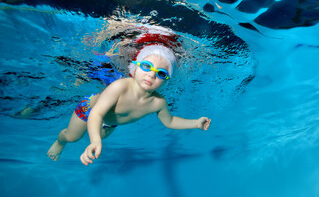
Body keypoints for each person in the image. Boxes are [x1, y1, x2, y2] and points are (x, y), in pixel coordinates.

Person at [47, 26, 211, 165]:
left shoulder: (158, 103)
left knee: (100, 136)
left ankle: (97, 134)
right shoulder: (120, 86)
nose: (152, 75)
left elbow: (170, 121)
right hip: (91, 109)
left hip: (111, 122)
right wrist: (94, 141)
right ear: (135, 67)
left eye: (161, 73)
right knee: (73, 136)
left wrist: (195, 123)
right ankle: (60, 141)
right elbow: (97, 113)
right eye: (147, 66)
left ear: (166, 80)